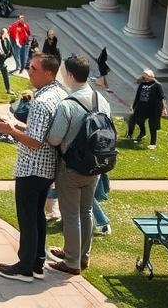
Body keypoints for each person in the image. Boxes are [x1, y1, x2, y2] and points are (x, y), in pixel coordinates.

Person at [0, 52, 66, 282]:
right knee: (37, 216)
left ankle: (25, 267)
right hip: (46, 168)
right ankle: (37, 264)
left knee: (28, 218)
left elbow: (34, 141)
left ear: (49, 73)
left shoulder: (41, 102)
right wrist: (17, 124)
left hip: (32, 168)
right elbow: (39, 132)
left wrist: (9, 130)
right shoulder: (58, 93)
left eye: (33, 68)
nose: (29, 71)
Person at [44, 54, 113, 276]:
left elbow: (54, 139)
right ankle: (82, 256)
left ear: (71, 76)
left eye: (65, 72)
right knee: (87, 210)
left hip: (71, 167)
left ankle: (72, 262)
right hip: (95, 165)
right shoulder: (100, 99)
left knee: (71, 214)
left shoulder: (68, 104)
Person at [127, 69, 168, 149]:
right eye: (145, 75)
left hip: (154, 108)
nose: (146, 77)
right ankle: (143, 132)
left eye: (147, 75)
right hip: (142, 107)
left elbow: (162, 98)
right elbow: (137, 96)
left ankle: (153, 143)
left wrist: (164, 109)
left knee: (152, 125)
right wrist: (133, 106)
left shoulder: (157, 85)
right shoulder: (142, 84)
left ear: (152, 76)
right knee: (139, 120)